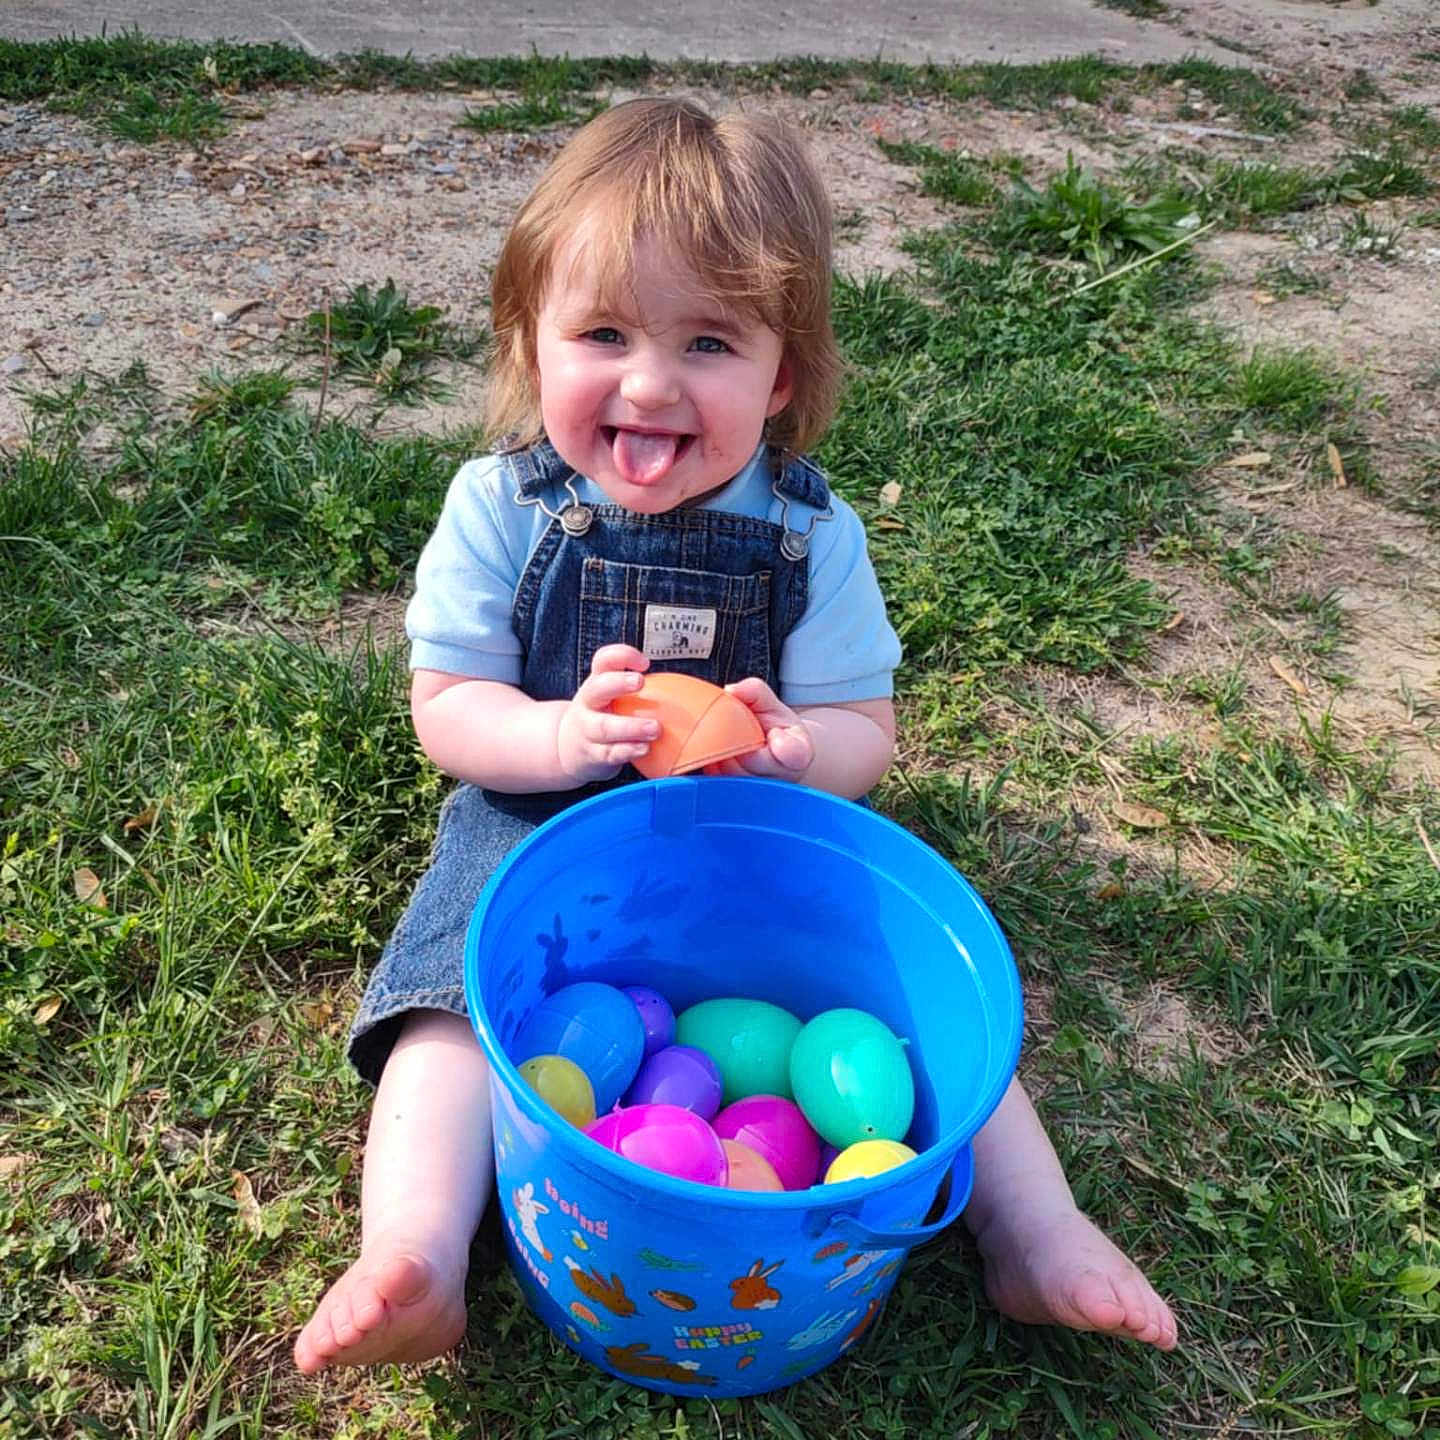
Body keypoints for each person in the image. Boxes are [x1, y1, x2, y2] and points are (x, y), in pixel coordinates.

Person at [293, 97, 1177, 1376]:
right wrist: (553, 735)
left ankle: (1036, 1232)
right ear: (529, 342)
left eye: (708, 342)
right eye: (602, 333)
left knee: (909, 1013)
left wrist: (798, 754)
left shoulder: (811, 538)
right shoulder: (501, 505)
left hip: (751, 823)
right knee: (445, 1012)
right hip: (537, 817)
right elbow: (449, 707)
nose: (648, 383)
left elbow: (863, 727)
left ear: (786, 375)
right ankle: (417, 1255)